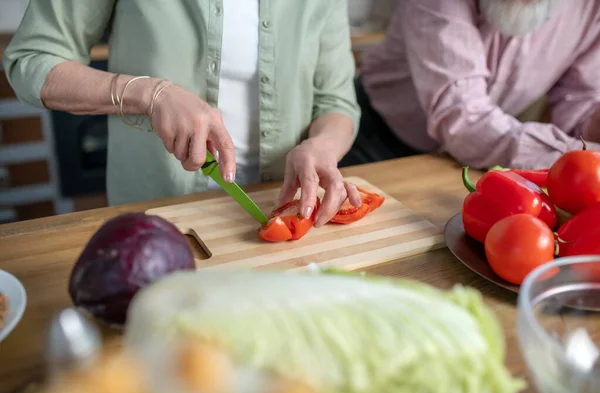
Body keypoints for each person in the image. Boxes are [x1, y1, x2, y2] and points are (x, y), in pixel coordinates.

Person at [2, 0, 362, 227]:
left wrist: (323, 144)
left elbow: (336, 102)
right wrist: (150, 93)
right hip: (157, 212)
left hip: (280, 208)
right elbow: (30, 61)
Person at [339, 0, 600, 171]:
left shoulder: (591, 8)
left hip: (464, 158)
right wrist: (579, 158)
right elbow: (462, 116)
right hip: (374, 138)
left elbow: (579, 102)